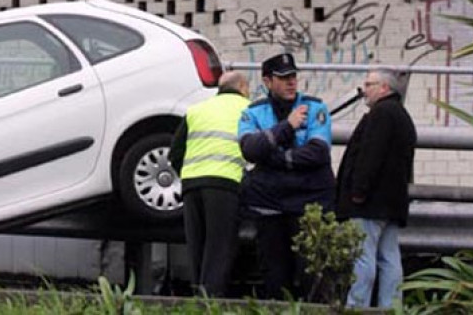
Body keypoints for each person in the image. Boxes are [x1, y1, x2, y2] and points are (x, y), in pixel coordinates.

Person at [237, 53, 336, 300]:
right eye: (283, 78)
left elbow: (318, 153)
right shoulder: (253, 112)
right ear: (268, 82)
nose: (291, 82)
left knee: (311, 275)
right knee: (274, 276)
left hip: (309, 203)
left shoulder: (315, 108)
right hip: (269, 205)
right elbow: (251, 150)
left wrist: (275, 157)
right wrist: (287, 127)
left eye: (293, 76)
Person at [338, 68, 416, 308]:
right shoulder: (402, 115)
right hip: (392, 203)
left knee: (363, 257)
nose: (364, 90)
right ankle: (391, 307)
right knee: (389, 258)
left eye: (369, 84)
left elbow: (370, 155)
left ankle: (357, 305)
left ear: (384, 88)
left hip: (369, 202)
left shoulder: (380, 114)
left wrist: (358, 191)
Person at [169, 71, 251, 297]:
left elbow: (175, 152)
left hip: (192, 184)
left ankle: (198, 297)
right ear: (242, 87)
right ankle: (211, 301)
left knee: (197, 245)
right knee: (219, 247)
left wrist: (186, 174)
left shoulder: (196, 110)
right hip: (225, 183)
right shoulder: (248, 110)